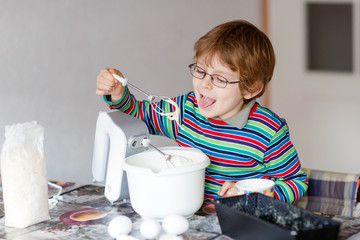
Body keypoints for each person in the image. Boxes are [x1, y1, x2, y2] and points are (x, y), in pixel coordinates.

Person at [96, 20, 308, 204]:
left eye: (220, 78)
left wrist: (246, 193)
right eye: (200, 71)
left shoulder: (268, 131)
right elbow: (139, 116)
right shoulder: (185, 110)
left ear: (250, 87)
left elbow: (295, 183)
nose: (205, 84)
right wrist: (118, 94)